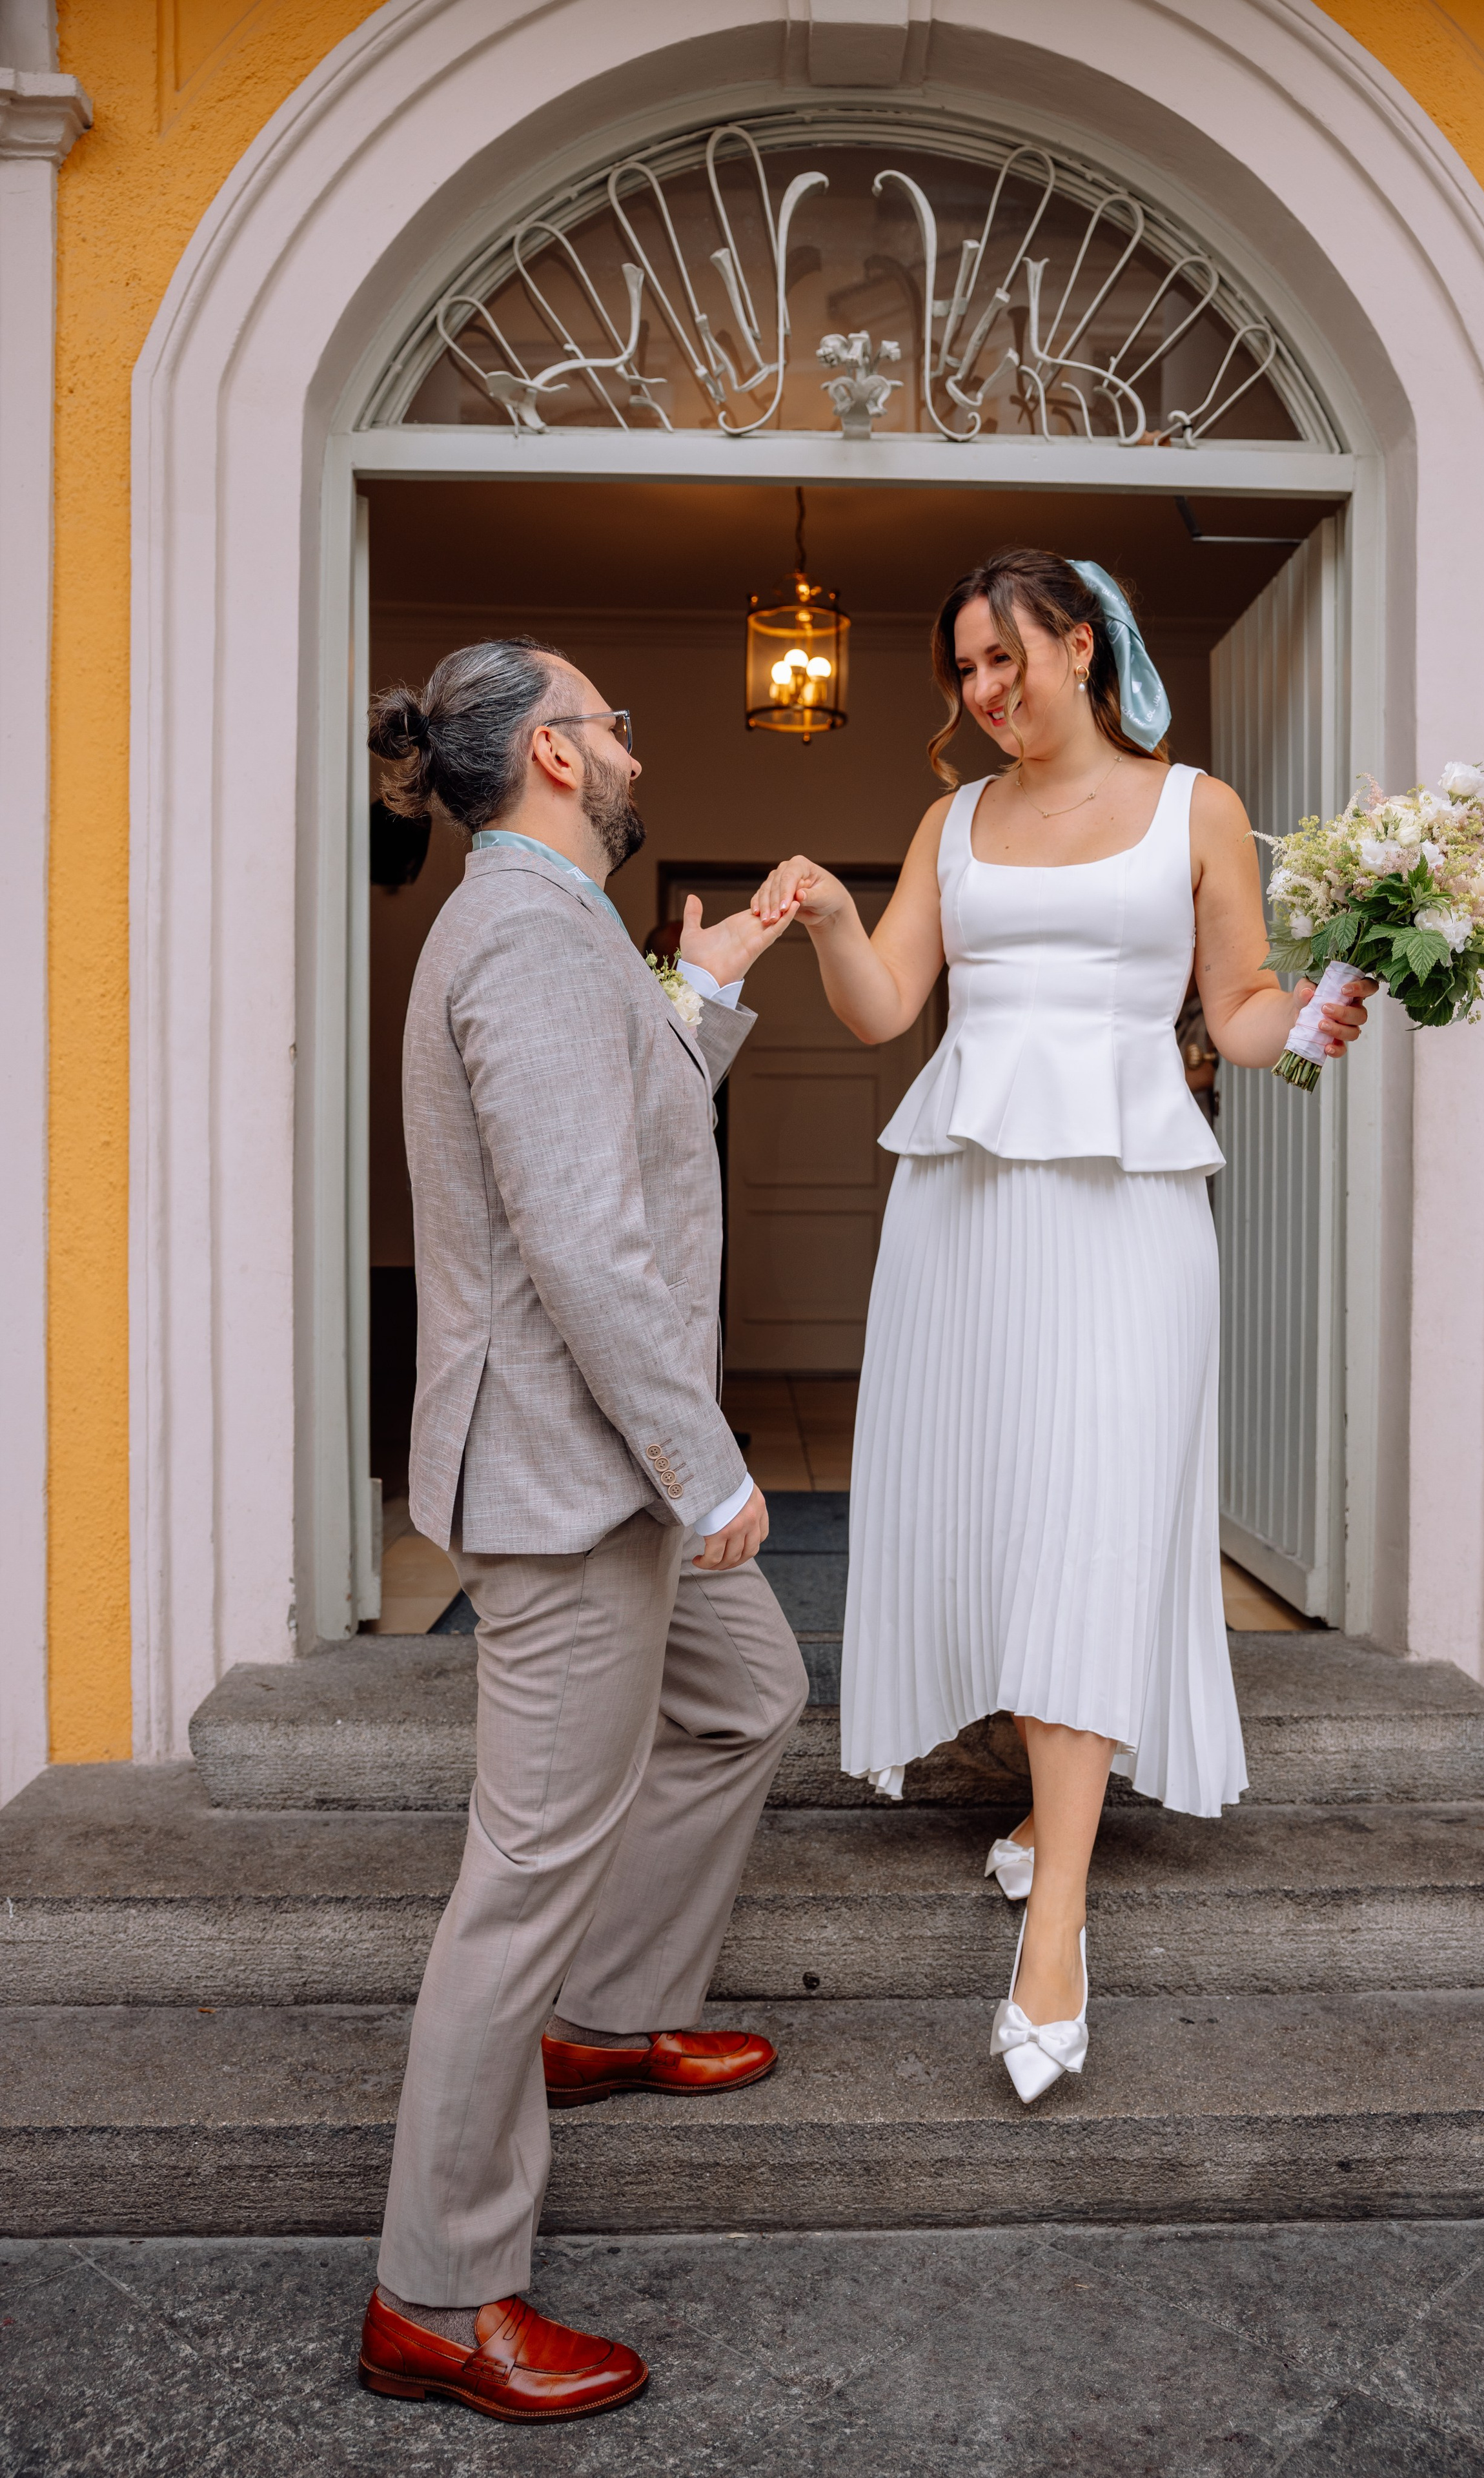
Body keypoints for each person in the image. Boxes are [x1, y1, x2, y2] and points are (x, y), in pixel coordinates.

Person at [749, 550, 1371, 2108]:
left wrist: (1316, 1008)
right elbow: (887, 1008)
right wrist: (828, 917)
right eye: (960, 670)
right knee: (1008, 1512)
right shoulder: (948, 822)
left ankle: (1056, 1927)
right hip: (962, 1209)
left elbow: (1239, 1012)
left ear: (1077, 645)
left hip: (1129, 1209)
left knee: (1096, 1512)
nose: (981, 691)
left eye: (1001, 658)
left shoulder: (1194, 808)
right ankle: (1050, 1808)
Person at [358, 637, 808, 2422]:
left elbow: (614, 1118)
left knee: (748, 1693)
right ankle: (437, 2289)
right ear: (553, 753)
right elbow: (583, 1240)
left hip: (605, 1459)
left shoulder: (554, 924)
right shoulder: (528, 937)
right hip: (574, 1471)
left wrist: (703, 983)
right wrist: (708, 1466)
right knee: (523, 1871)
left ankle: (609, 2014)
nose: (630, 744)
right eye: (609, 721)